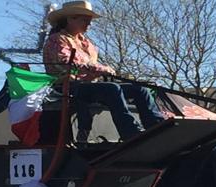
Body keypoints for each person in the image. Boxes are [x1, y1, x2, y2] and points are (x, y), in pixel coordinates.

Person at [43, 1, 166, 143]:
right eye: (85, 20)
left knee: (140, 89)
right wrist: (101, 69)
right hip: (68, 87)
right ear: (70, 19)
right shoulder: (57, 40)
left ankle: (156, 126)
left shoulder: (86, 43)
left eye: (90, 21)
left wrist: (101, 71)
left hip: (90, 86)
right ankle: (130, 132)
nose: (89, 25)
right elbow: (67, 62)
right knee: (112, 89)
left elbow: (91, 65)